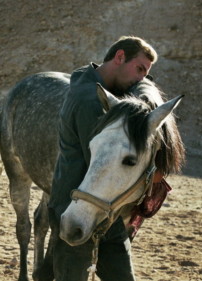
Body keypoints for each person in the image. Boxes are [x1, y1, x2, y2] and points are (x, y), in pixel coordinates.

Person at [48, 36, 160, 281]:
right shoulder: (90, 100)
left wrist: (146, 87)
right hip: (78, 206)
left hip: (99, 205)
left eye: (145, 72)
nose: (141, 77)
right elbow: (107, 163)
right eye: (139, 69)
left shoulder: (92, 79)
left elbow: (143, 85)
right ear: (120, 57)